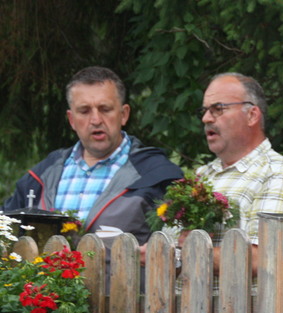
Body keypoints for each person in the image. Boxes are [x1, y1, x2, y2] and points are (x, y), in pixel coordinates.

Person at [3, 66, 182, 243]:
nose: (96, 120)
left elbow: (183, 243)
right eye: (84, 111)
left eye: (105, 109)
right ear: (71, 119)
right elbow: (4, 229)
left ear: (124, 114)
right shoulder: (43, 174)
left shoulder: (156, 175)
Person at [196, 72, 283, 272]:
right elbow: (170, 243)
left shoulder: (277, 173)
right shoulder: (202, 175)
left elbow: (265, 257)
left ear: (252, 115)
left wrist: (188, 253)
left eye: (218, 109)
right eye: (205, 110)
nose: (206, 118)